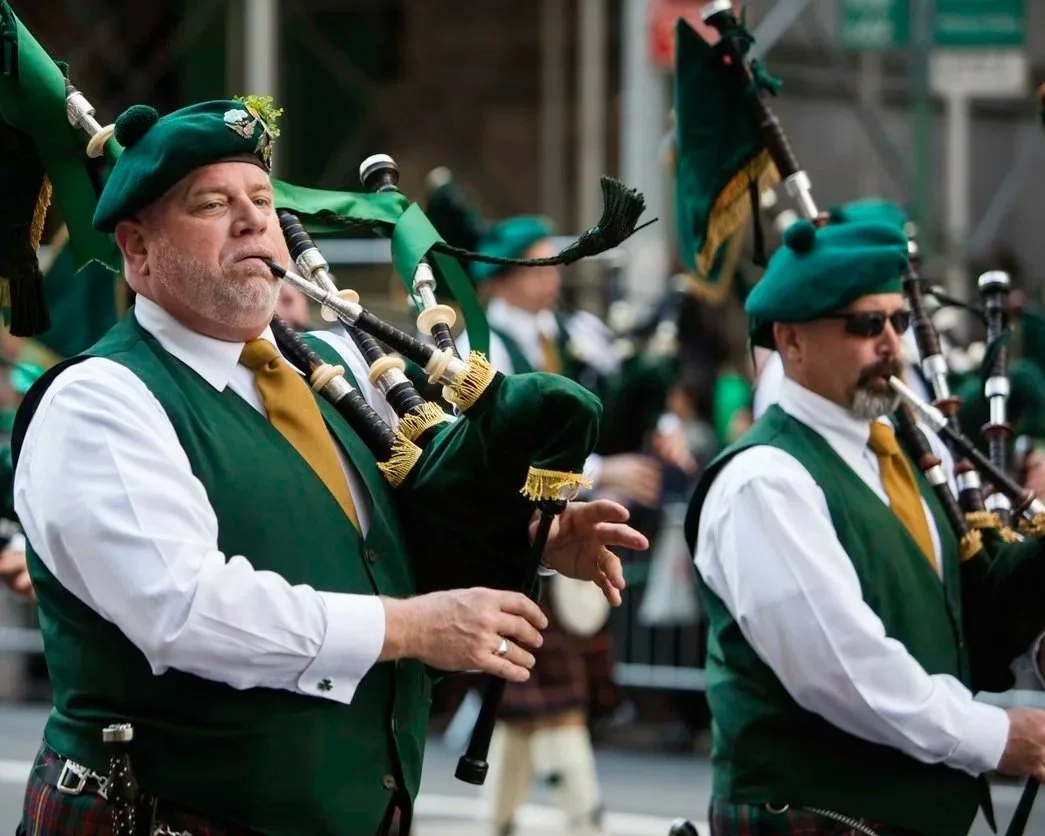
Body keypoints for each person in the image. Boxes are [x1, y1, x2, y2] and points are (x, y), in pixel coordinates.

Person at [11, 98, 648, 836]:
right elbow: (182, 608)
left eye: (262, 200)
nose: (254, 221)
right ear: (138, 249)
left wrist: (522, 536)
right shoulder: (100, 400)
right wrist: (408, 628)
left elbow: (384, 537)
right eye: (212, 204)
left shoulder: (328, 367)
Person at [684, 217, 1045, 836]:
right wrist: (995, 736)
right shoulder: (767, 481)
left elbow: (954, 613)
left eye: (898, 321)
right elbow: (844, 670)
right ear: (791, 341)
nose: (891, 345)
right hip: (820, 816)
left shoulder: (904, 451)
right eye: (864, 324)